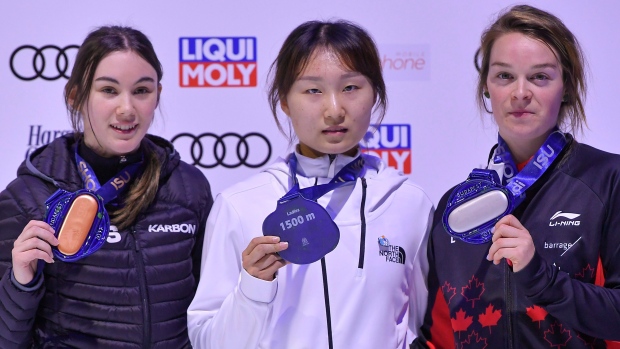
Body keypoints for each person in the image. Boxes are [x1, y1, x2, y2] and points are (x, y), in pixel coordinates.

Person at [187, 19, 433, 348]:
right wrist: (254, 287)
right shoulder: (240, 205)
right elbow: (209, 342)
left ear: (375, 94)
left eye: (350, 87)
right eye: (313, 90)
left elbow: (426, 330)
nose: (334, 110)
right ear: (285, 100)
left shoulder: (410, 204)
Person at [417, 5, 620, 349]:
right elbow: (437, 337)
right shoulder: (456, 209)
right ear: (486, 88)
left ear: (566, 86)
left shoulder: (607, 181)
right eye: (505, 76)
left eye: (540, 77)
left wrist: (539, 276)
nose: (520, 92)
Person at [0, 26, 213, 348]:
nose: (127, 108)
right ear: (76, 96)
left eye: (141, 90)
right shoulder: (29, 198)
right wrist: (20, 283)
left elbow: (210, 311)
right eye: (109, 90)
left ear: (157, 94)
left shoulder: (187, 187)